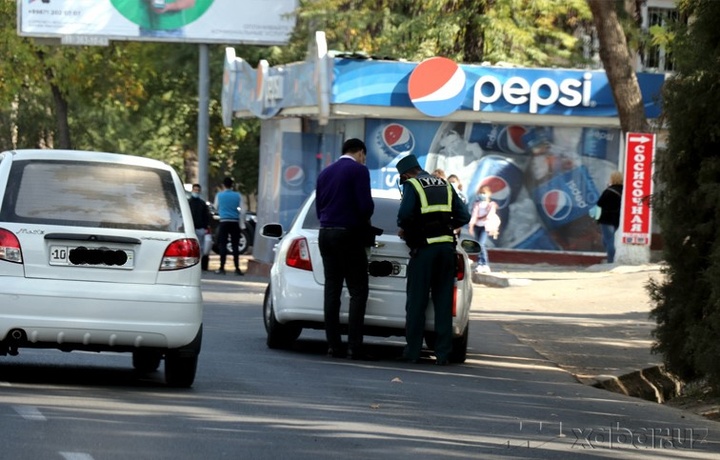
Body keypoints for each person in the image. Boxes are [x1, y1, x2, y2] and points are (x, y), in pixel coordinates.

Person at [396, 154, 470, 365]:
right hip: (446, 250)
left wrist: (413, 230)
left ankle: (412, 353)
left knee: (417, 302)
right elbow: (464, 216)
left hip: (424, 251)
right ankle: (443, 355)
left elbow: (404, 216)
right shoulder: (445, 185)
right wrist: (443, 224)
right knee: (443, 304)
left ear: (406, 174)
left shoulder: (412, 185)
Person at [315, 138, 375, 360]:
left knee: (332, 288)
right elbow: (365, 206)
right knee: (358, 291)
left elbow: (319, 206)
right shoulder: (359, 170)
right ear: (360, 152)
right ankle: (354, 345)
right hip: (348, 235)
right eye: (364, 156)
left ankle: (333, 345)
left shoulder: (325, 173)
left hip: (326, 232)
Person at [213, 177, 244, 275]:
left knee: (223, 244)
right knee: (235, 245)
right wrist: (242, 224)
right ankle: (237, 268)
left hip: (224, 222)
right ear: (232, 185)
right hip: (234, 222)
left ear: (223, 185)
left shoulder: (219, 195)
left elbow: (215, 207)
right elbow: (243, 210)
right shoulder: (238, 195)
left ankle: (222, 268)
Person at [468, 185, 499, 273]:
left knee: (481, 244)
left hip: (485, 227)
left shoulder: (491, 204)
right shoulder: (477, 204)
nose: (482, 195)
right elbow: (474, 216)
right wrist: (471, 226)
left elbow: (490, 215)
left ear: (489, 194)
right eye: (481, 193)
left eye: (484, 193)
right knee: (479, 246)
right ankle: (480, 264)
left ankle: (485, 264)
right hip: (477, 227)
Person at [595, 171, 624, 263]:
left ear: (612, 179)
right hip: (617, 219)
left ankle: (611, 260)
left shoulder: (609, 191)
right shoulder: (625, 191)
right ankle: (612, 257)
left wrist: (597, 218)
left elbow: (600, 203)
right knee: (609, 239)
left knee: (609, 240)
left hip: (606, 219)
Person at [188, 183, 212, 271]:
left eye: (198, 190)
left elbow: (206, 216)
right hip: (191, 229)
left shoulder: (202, 204)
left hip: (201, 229)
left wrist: (206, 227)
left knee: (201, 248)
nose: (196, 192)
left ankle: (202, 266)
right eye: (195, 190)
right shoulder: (188, 203)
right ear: (192, 190)